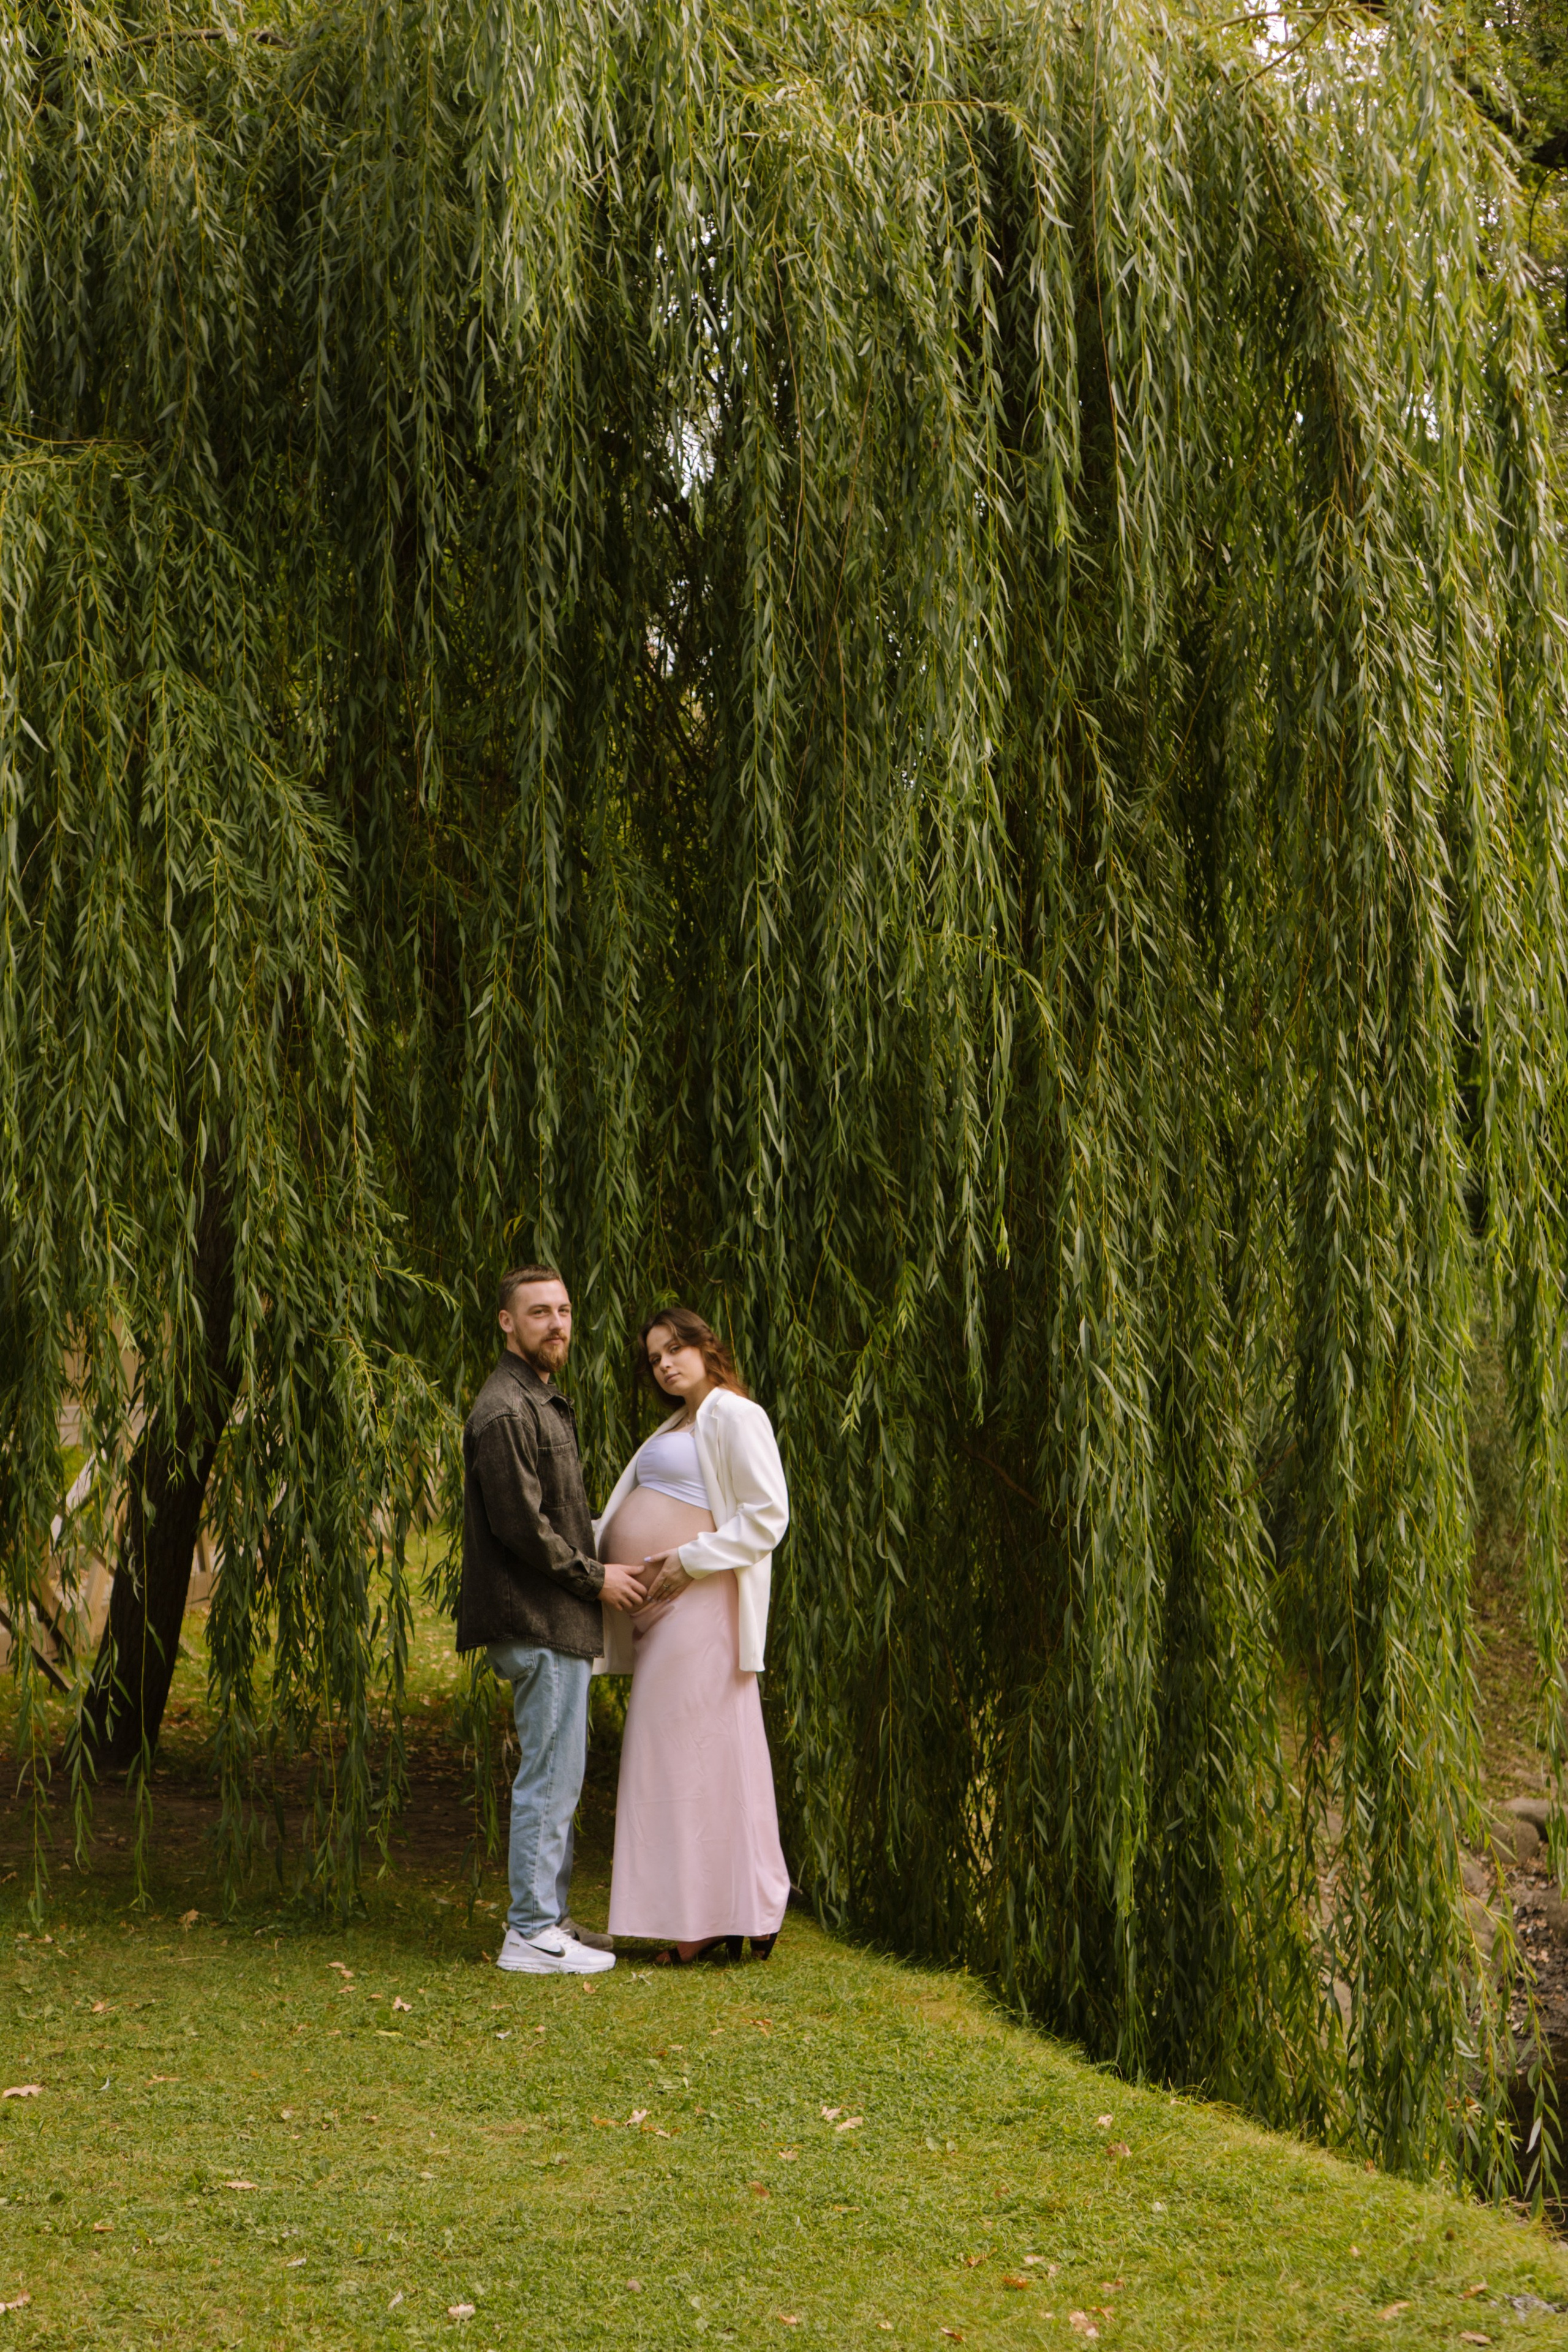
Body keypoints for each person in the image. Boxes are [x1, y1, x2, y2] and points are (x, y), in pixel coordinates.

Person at [456, 1264, 643, 1975]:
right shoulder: (507, 1409)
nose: (557, 1324)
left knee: (563, 1772)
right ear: (507, 1322)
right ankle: (530, 1934)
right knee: (549, 1776)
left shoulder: (539, 1398)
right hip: (536, 1618)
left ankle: (552, 1920)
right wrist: (597, 1578)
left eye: (563, 1311)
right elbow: (522, 1528)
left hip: (554, 1619)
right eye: (539, 1313)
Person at [598, 1307, 791, 1961]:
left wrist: (688, 1558)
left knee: (689, 1754)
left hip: (701, 1602)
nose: (664, 1364)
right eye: (654, 1358)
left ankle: (714, 1919)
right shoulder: (679, 1422)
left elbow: (767, 1516)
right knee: (691, 1754)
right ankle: (734, 1911)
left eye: (675, 1349)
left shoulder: (736, 1414)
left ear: (707, 1348)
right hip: (662, 1611)